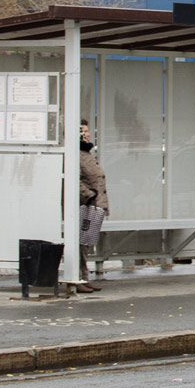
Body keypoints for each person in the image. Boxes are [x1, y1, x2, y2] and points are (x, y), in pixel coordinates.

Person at [77, 120, 109, 293]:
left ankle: (84, 277)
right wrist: (89, 196)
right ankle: (78, 277)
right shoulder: (76, 154)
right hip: (85, 205)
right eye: (85, 131)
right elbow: (74, 179)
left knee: (86, 243)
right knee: (80, 244)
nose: (88, 134)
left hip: (94, 206)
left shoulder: (86, 154)